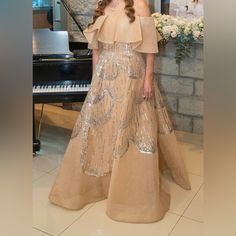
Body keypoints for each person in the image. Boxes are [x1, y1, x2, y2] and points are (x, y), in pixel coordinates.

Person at [48, 0, 191, 223]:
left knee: (131, 131)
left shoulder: (141, 5)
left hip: (131, 76)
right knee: (100, 128)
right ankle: (98, 185)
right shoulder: (101, 6)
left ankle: (128, 190)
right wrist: (95, 78)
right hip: (105, 76)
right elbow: (96, 49)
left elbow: (150, 49)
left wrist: (148, 79)